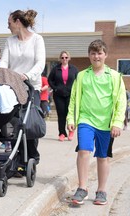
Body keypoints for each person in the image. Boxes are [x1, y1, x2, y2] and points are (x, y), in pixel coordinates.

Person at [67, 39, 126, 206]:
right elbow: (73, 99)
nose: (96, 56)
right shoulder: (82, 76)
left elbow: (121, 101)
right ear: (89, 55)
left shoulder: (114, 76)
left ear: (105, 55)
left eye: (99, 53)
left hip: (106, 124)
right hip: (86, 120)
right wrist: (71, 118)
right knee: (84, 150)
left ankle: (101, 190)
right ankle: (82, 188)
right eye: (93, 53)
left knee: (102, 157)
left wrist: (117, 122)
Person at [0, 9, 46, 165]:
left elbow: (40, 63)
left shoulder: (37, 39)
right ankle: (16, 157)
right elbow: (4, 62)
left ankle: (31, 157)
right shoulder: (10, 41)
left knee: (29, 124)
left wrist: (27, 75)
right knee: (13, 122)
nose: (8, 27)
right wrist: (2, 74)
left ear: (17, 22)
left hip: (31, 86)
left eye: (9, 23)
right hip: (12, 87)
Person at [48, 51, 78, 141]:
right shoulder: (55, 69)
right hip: (58, 95)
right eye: (62, 57)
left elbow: (78, 80)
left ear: (69, 58)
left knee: (70, 113)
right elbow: (50, 80)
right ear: (60, 59)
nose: (64, 59)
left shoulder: (74, 69)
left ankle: (71, 131)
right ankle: (62, 133)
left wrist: (76, 91)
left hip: (70, 95)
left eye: (66, 57)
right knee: (61, 115)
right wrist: (55, 88)